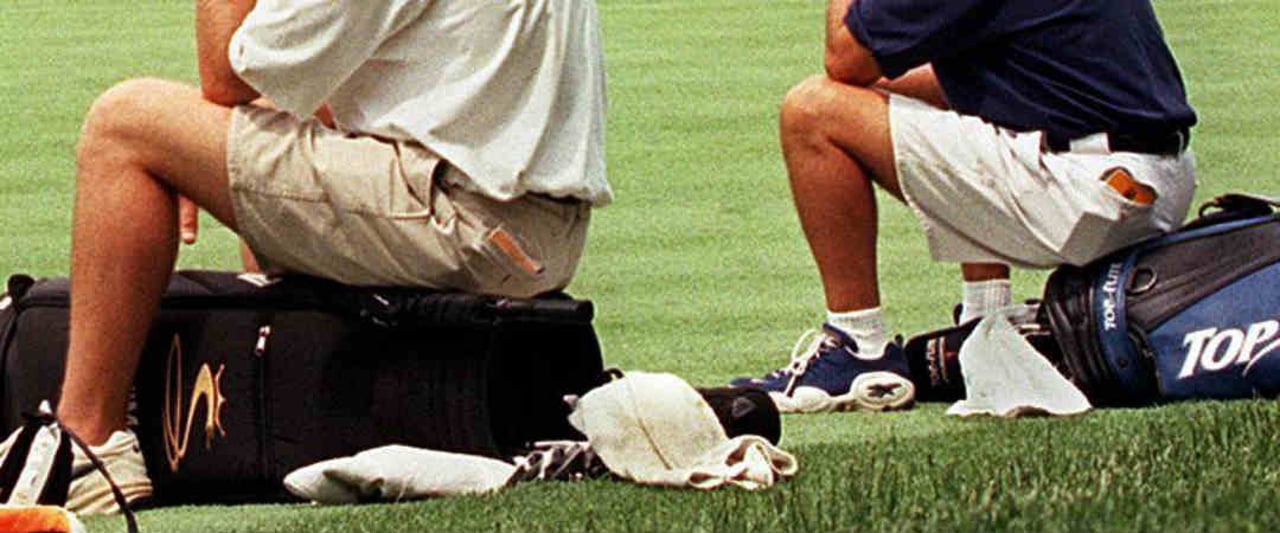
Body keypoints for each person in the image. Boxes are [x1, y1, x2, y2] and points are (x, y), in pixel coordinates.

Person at [0, 0, 610, 513]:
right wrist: (195, 153)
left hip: (465, 221)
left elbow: (228, 70)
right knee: (264, 118)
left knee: (126, 126)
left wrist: (178, 147)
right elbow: (283, 89)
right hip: (530, 231)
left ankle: (90, 446)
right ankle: (285, 412)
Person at [732, 0, 1197, 413]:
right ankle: (984, 318)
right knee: (961, 78)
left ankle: (859, 347)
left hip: (1090, 194)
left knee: (813, 112)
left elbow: (846, 57)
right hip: (1150, 177)